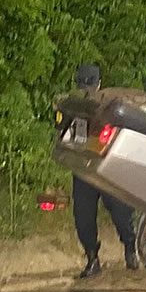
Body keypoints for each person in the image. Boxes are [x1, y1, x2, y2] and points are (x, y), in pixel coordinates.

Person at [59, 64, 139, 278]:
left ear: (98, 85)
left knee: (121, 213)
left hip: (108, 168)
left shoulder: (111, 105)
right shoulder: (72, 107)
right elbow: (63, 135)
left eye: (89, 86)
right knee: (83, 217)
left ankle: (131, 250)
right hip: (83, 168)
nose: (86, 91)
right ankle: (92, 259)